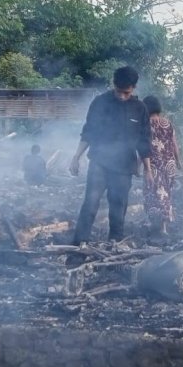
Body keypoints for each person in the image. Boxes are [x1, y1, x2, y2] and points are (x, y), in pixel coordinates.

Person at [69, 66, 151, 244]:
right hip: (99, 162)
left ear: (134, 88)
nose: (122, 96)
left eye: (127, 93)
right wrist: (76, 157)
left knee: (118, 206)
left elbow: (144, 142)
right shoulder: (100, 103)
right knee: (90, 204)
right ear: (114, 85)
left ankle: (114, 243)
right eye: (119, 91)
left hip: (124, 167)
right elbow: (88, 132)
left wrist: (148, 170)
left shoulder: (140, 108)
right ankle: (78, 244)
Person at [141, 95, 181, 236]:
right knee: (166, 195)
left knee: (152, 194)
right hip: (169, 165)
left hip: (154, 165)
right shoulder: (167, 123)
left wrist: (142, 166)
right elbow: (174, 144)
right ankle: (164, 226)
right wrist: (178, 161)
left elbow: (143, 146)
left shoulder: (145, 125)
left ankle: (154, 224)